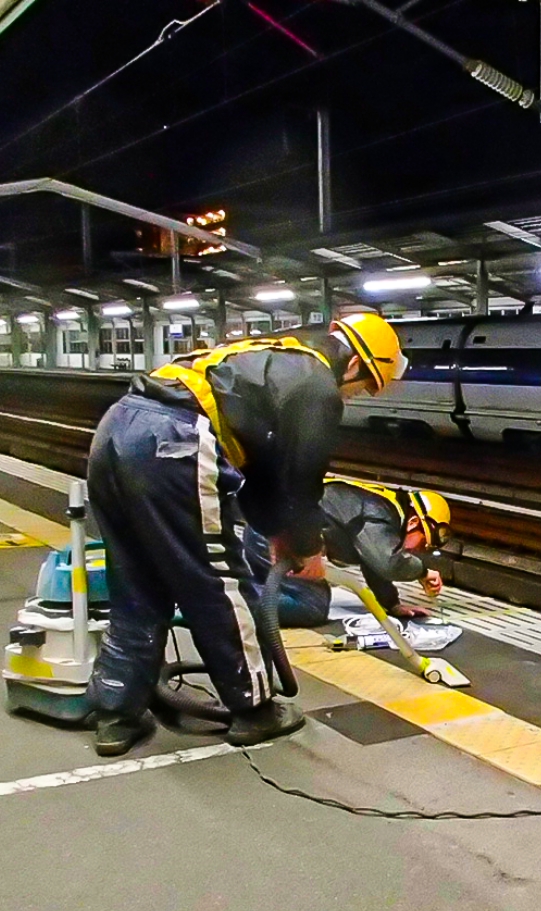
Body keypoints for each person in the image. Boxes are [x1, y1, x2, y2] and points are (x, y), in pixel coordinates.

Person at [85, 314, 408, 756]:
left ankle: (116, 715)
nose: (357, 397)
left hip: (116, 428)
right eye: (366, 386)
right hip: (175, 439)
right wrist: (307, 545)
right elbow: (301, 478)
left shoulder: (277, 356)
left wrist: (277, 531)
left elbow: (264, 469)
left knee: (134, 580)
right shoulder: (317, 385)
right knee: (218, 581)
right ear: (354, 364)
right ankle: (253, 709)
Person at [242, 480, 451, 626]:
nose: (417, 551)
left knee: (313, 593)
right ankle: (231, 604)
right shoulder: (380, 512)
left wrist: (392, 604)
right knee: (312, 604)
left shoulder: (383, 510)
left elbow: (371, 561)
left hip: (271, 530)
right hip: (276, 538)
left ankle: (242, 591)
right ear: (414, 522)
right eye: (422, 543)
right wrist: (422, 572)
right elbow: (387, 563)